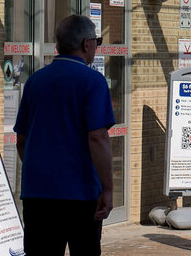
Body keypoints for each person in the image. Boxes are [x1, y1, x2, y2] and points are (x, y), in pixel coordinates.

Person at [13, 14, 115, 256]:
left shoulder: (35, 81)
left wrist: (41, 170)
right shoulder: (93, 82)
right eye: (96, 42)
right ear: (86, 44)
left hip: (38, 195)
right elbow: (98, 138)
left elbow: (21, 140)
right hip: (81, 196)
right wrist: (108, 189)